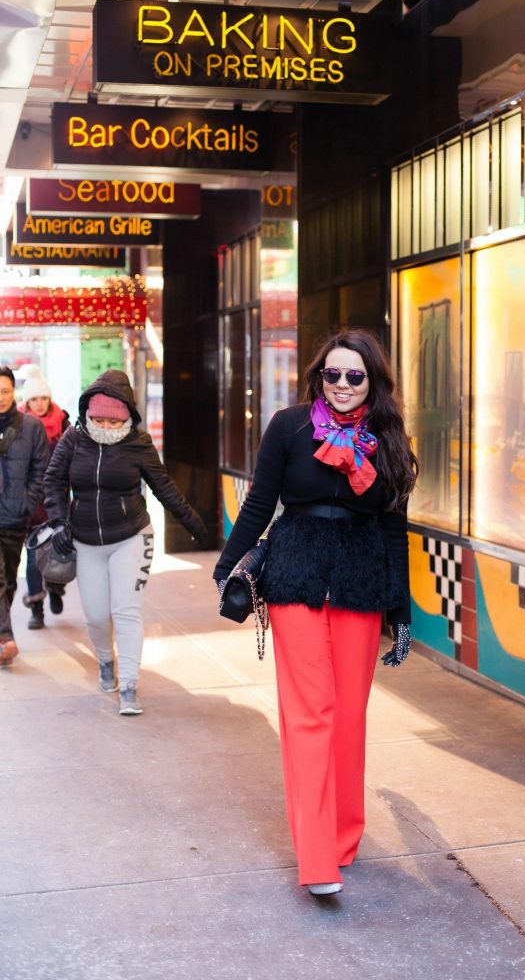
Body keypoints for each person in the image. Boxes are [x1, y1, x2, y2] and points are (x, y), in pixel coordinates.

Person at [213, 330, 418, 897]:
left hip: (359, 581)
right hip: (295, 574)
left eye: (356, 376)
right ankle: (317, 859)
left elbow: (394, 528)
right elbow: (260, 502)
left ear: (372, 382)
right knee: (309, 714)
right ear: (318, 377)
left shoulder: (390, 439)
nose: (344, 385)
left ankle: (344, 834)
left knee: (349, 715)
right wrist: (227, 567)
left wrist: (401, 611)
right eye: (333, 374)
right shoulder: (289, 426)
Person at [43, 369, 208, 715]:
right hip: (85, 540)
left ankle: (130, 684)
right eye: (97, 418)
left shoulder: (138, 443)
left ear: (126, 415)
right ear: (87, 412)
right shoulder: (74, 440)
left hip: (130, 536)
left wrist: (194, 523)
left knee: (126, 610)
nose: (104, 426)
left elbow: (164, 487)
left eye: (111, 419)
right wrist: (59, 523)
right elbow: (53, 481)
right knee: (96, 615)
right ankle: (106, 661)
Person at [0, 366, 50, 666]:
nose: (0, 398)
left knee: (8, 581)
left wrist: (26, 504)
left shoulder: (31, 427)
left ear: (14, 392)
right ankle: (5, 638)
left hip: (15, 518)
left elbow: (41, 471)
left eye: (5, 391)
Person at [19, 372, 70, 630]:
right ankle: (37, 609)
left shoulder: (63, 423)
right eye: (34, 399)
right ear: (27, 402)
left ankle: (56, 588)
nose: (39, 403)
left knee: (60, 550)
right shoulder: (19, 425)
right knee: (33, 556)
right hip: (30, 501)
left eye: (44, 398)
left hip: (57, 500)